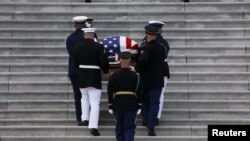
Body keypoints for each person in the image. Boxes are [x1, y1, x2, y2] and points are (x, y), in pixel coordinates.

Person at [73, 27, 109, 136]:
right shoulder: (99, 46)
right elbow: (103, 62)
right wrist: (106, 70)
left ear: (84, 35)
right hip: (94, 76)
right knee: (95, 103)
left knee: (84, 98)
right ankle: (93, 126)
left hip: (82, 75)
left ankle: (85, 119)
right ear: (93, 36)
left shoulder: (77, 46)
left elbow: (75, 62)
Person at [135, 25, 166, 136]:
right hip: (158, 80)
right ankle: (151, 127)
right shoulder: (162, 47)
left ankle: (145, 120)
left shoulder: (146, 48)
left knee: (145, 101)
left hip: (146, 79)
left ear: (147, 34)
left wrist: (137, 68)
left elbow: (142, 61)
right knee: (154, 103)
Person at [107, 51, 141, 141]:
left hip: (118, 103)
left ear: (119, 60)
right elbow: (140, 91)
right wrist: (139, 104)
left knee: (119, 128)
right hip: (131, 103)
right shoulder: (136, 76)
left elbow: (109, 90)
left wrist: (110, 104)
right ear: (130, 61)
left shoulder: (113, 75)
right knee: (129, 128)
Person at [66, 16, 88, 126]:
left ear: (75, 25)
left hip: (73, 69)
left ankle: (79, 118)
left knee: (77, 95)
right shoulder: (87, 37)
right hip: (85, 69)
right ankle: (87, 117)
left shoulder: (69, 38)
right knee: (87, 94)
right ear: (85, 25)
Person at [148, 20, 170, 126]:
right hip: (161, 71)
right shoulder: (163, 43)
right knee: (159, 95)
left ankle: (148, 116)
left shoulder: (145, 42)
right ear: (159, 30)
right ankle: (156, 117)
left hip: (147, 71)